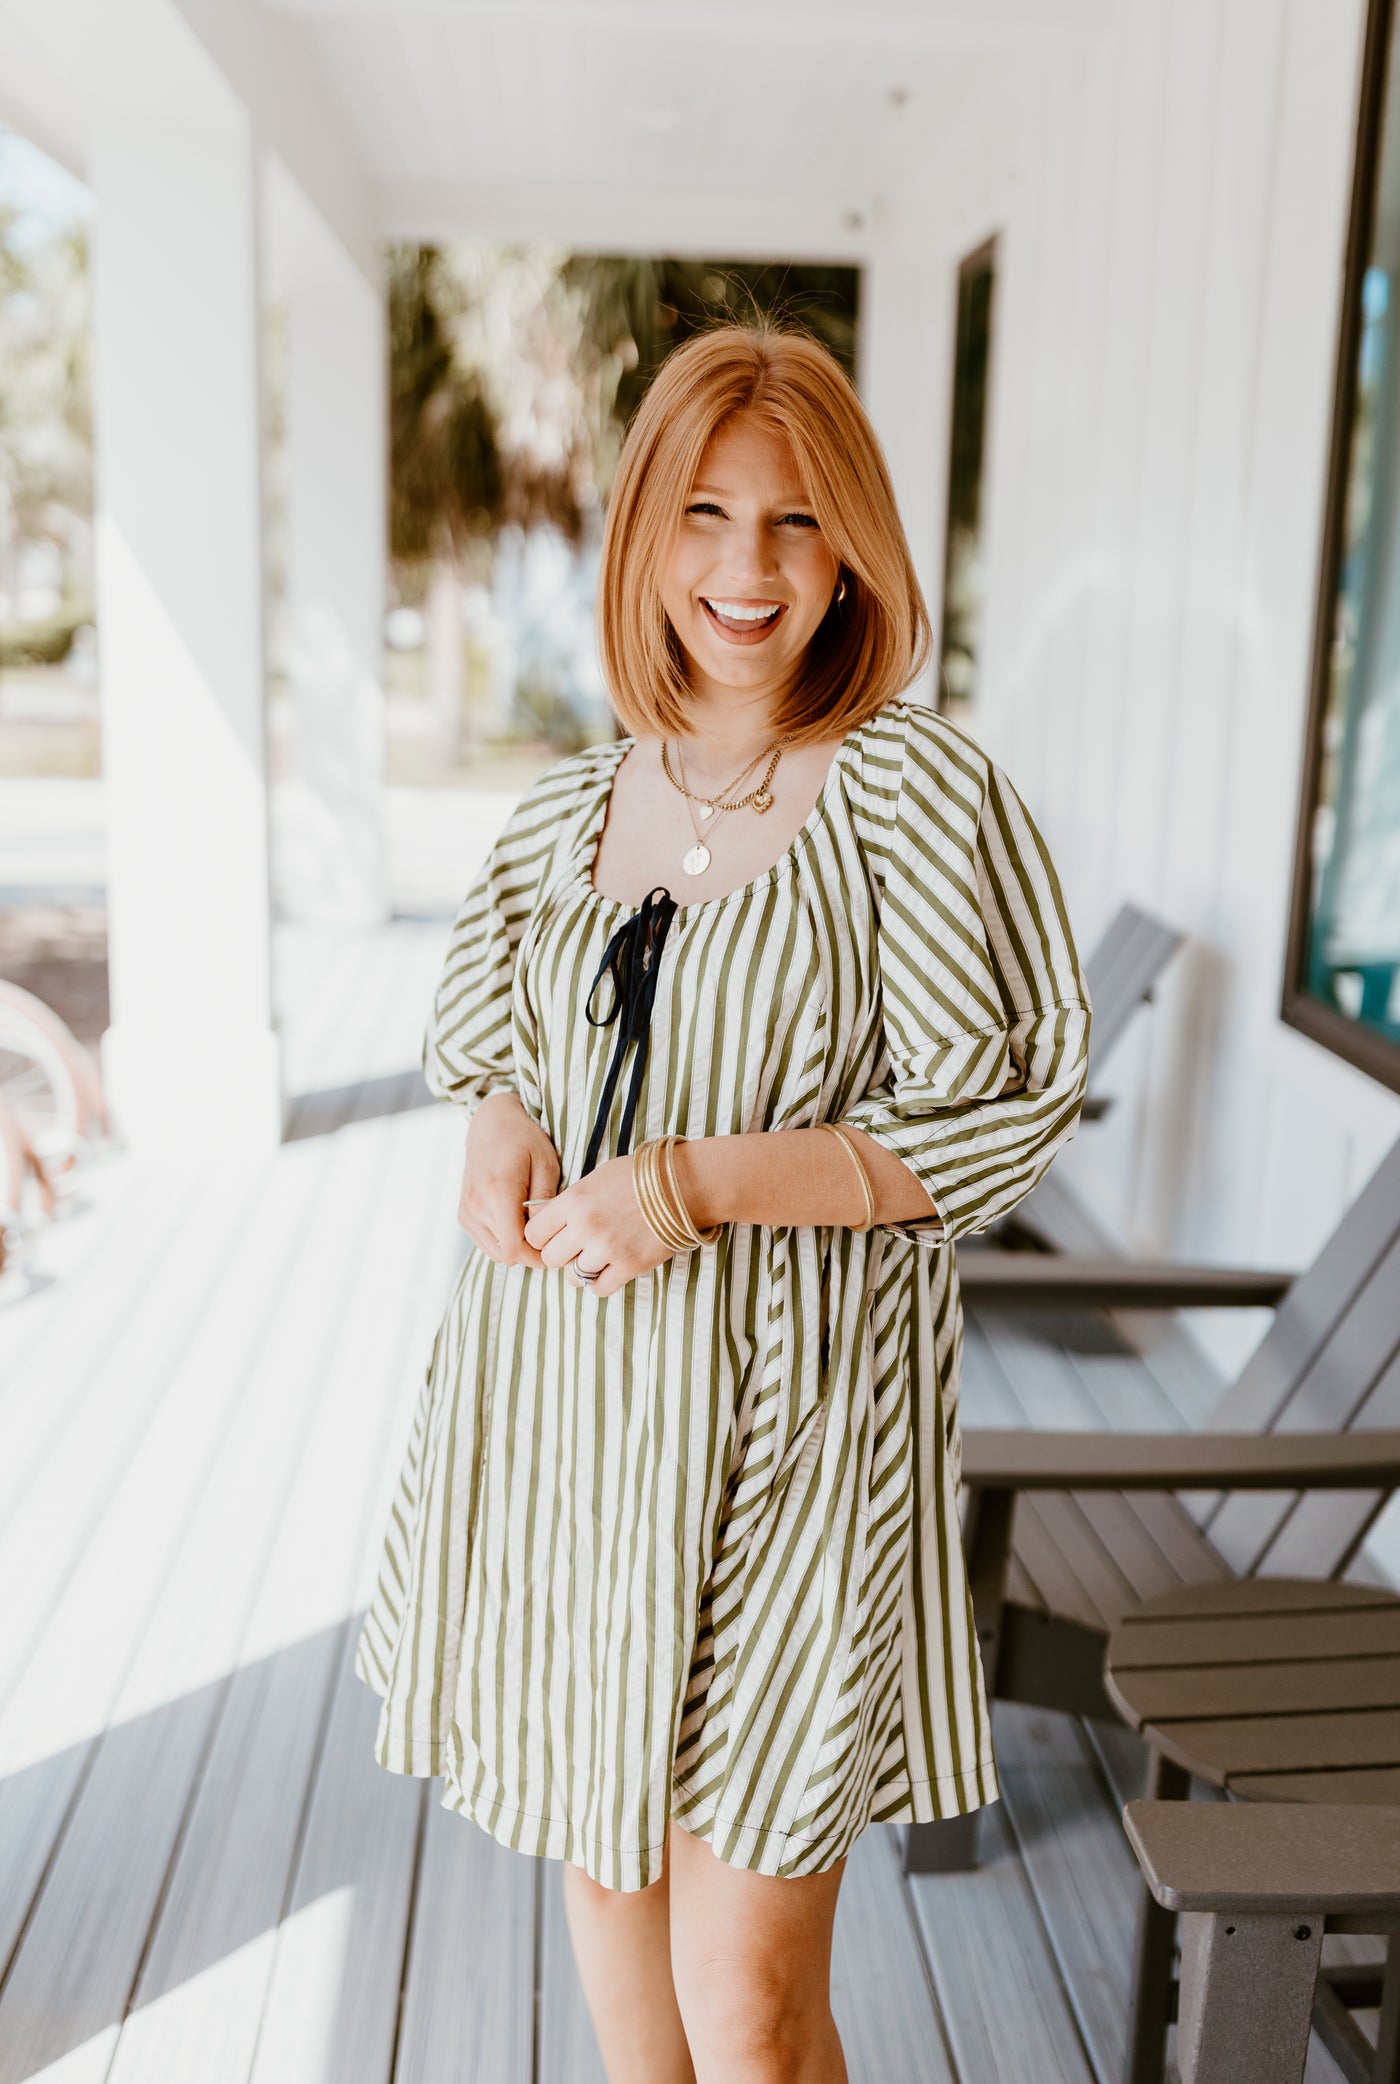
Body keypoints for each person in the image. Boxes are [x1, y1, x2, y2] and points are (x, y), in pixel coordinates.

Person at [356, 323, 1091, 2084]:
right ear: (640, 538)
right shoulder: (561, 811)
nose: (745, 568)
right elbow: (500, 1054)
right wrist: (503, 1133)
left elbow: (1000, 1110)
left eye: (793, 520)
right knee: (630, 2020)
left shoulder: (915, 796)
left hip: (799, 1452)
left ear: (854, 548)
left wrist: (692, 1185)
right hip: (572, 1455)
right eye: (702, 513)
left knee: (749, 2015)